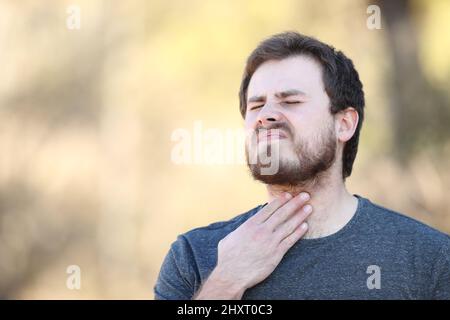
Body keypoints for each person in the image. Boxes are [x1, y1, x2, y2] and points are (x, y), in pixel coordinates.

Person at [154, 31, 450, 300]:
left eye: (290, 101)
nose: (265, 115)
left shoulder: (429, 259)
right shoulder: (194, 257)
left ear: (344, 124)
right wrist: (226, 282)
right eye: (256, 105)